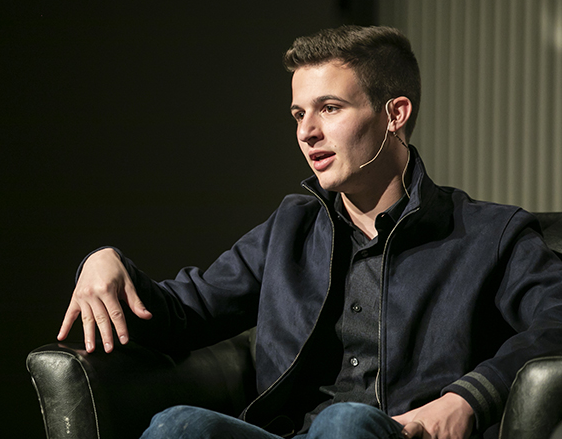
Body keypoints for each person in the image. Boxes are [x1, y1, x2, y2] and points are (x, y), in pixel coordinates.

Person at [57, 26, 562, 439]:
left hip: (403, 435)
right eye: (299, 113)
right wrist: (106, 263)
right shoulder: (291, 229)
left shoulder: (489, 233)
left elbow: (557, 319)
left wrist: (468, 397)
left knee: (344, 422)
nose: (306, 131)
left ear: (395, 114)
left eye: (330, 108)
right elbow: (184, 314)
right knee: (178, 425)